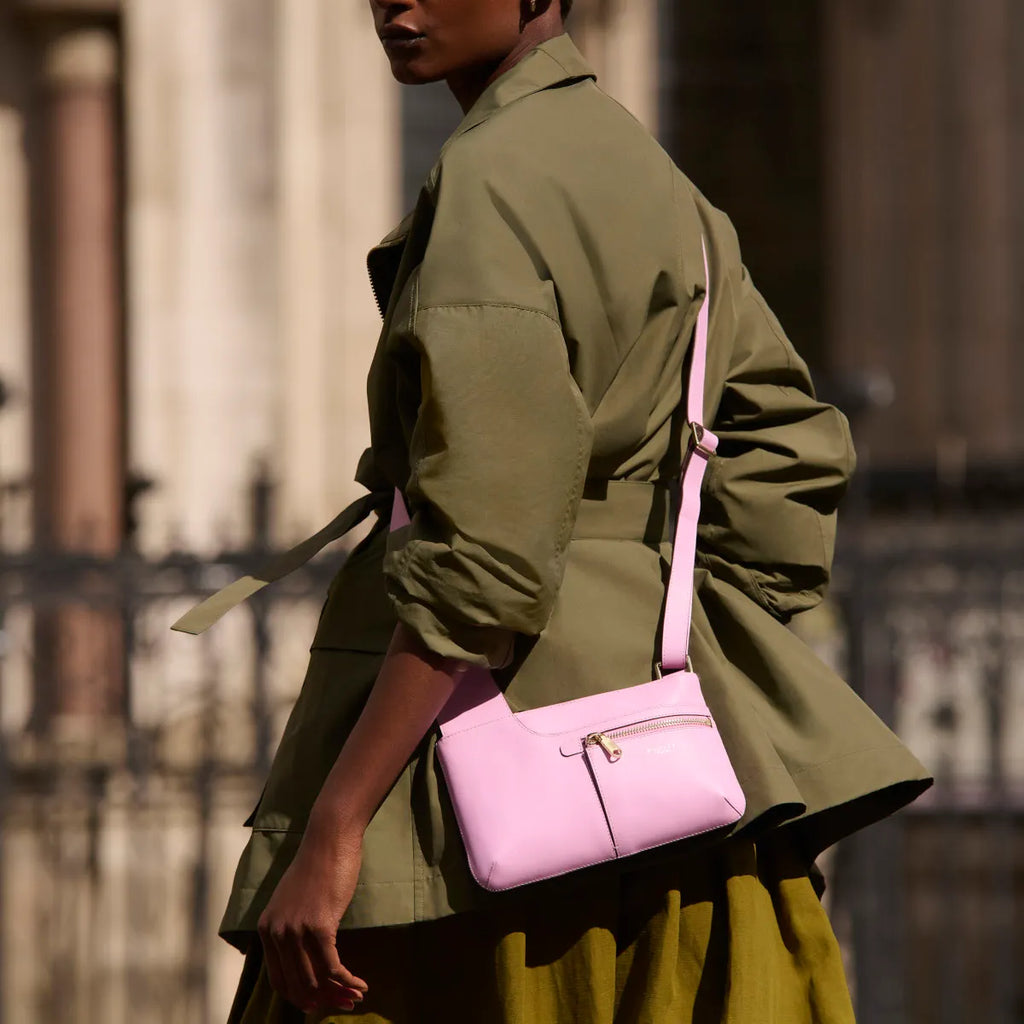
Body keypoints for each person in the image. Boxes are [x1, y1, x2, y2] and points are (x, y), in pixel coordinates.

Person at [201, 1, 932, 1020]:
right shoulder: (657, 179)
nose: (395, 1)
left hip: (472, 822)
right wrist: (647, 611)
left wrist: (333, 828)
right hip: (681, 794)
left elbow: (485, 556)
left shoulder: (490, 179)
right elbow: (787, 446)